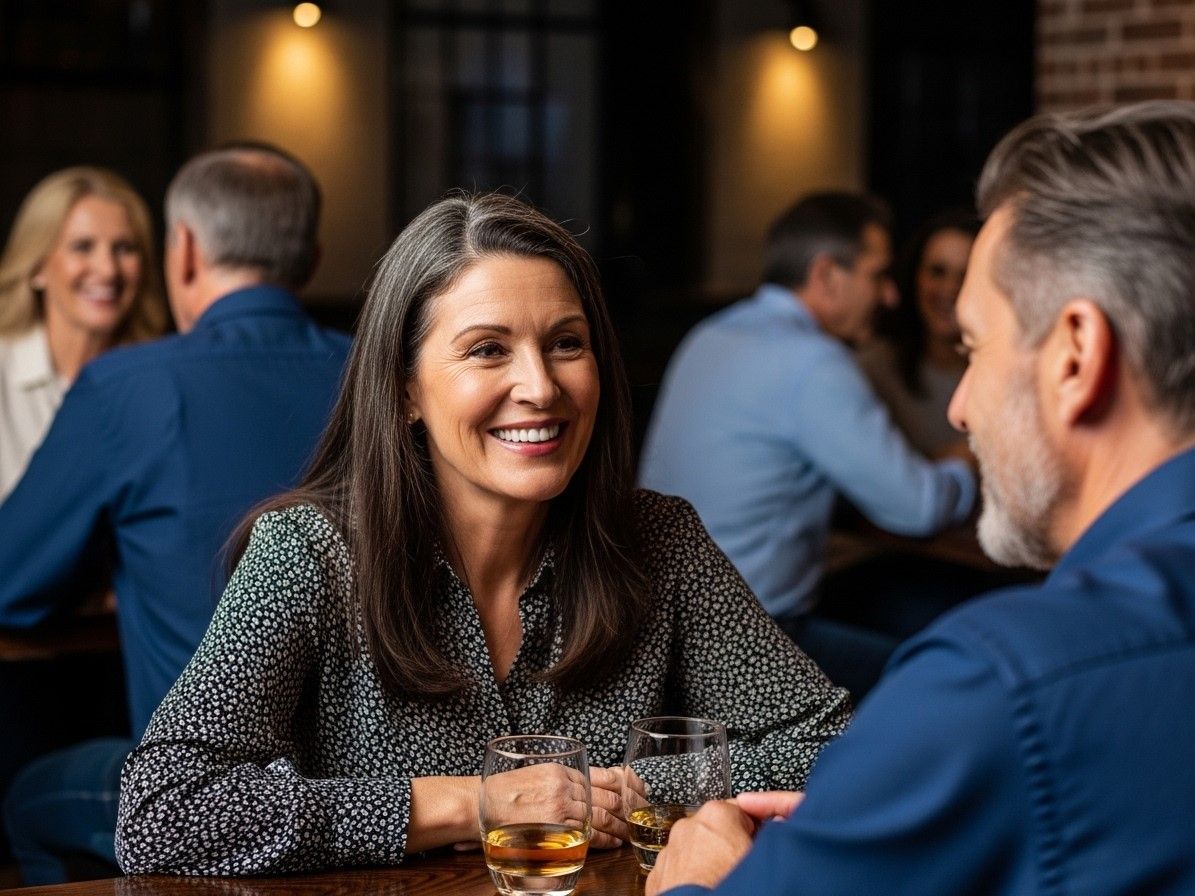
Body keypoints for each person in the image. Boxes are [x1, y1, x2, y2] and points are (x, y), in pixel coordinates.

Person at [114, 192, 851, 876]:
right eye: (487, 350)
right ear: (405, 388)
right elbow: (160, 811)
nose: (539, 386)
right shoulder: (309, 553)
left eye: (566, 343)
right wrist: (475, 801)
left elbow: (837, 748)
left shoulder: (659, 538)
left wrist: (623, 788)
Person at [646, 100, 1195, 895]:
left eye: (974, 348)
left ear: (1075, 356)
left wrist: (705, 884)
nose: (960, 406)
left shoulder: (994, 685)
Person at [0, 144, 351, 885]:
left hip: (206, 800)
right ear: (312, 257)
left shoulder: (128, 385)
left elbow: (8, 584)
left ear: (182, 250)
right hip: (374, 790)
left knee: (26, 794)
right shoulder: (381, 376)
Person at [639, 192, 976, 697]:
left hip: (660, 625)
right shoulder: (814, 362)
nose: (889, 296)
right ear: (825, 275)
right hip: (746, 640)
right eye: (877, 276)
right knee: (943, 676)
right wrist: (966, 462)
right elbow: (919, 509)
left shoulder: (710, 334)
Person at [0, 167, 169, 499]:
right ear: (36, 268)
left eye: (124, 248)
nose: (107, 270)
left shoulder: (162, 381)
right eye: (82, 246)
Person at [857, 209, 981, 457]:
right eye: (937, 272)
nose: (949, 289)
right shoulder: (871, 369)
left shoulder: (1011, 373)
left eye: (966, 274)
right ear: (914, 277)